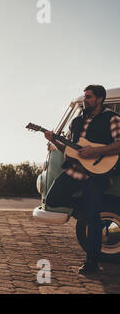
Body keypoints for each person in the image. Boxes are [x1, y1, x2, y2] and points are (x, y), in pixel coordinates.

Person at [45, 85, 120, 274]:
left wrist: (96, 151)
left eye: (89, 97)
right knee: (52, 199)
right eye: (85, 97)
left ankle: (91, 263)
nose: (85, 100)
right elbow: (69, 151)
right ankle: (84, 209)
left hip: (96, 175)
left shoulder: (112, 119)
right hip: (74, 171)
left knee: (94, 219)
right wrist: (54, 140)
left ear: (100, 99)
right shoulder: (76, 122)